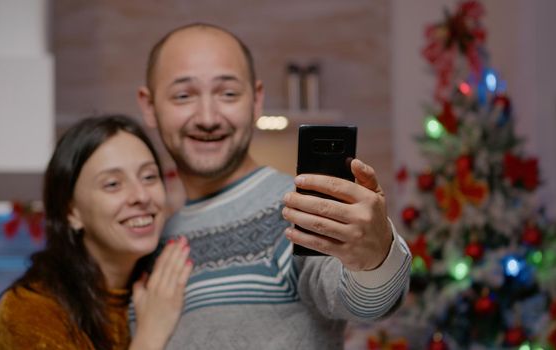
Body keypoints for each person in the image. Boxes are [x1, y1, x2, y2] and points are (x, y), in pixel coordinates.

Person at [136, 23, 412, 349]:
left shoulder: (294, 210)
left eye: (228, 93)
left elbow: (365, 300)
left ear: (256, 100)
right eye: (183, 96)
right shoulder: (150, 237)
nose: (208, 117)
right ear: (149, 106)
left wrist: (376, 256)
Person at [0, 115, 192, 350]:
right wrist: (151, 335)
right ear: (71, 211)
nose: (142, 196)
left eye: (149, 177)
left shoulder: (158, 285)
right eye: (113, 184)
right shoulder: (28, 312)